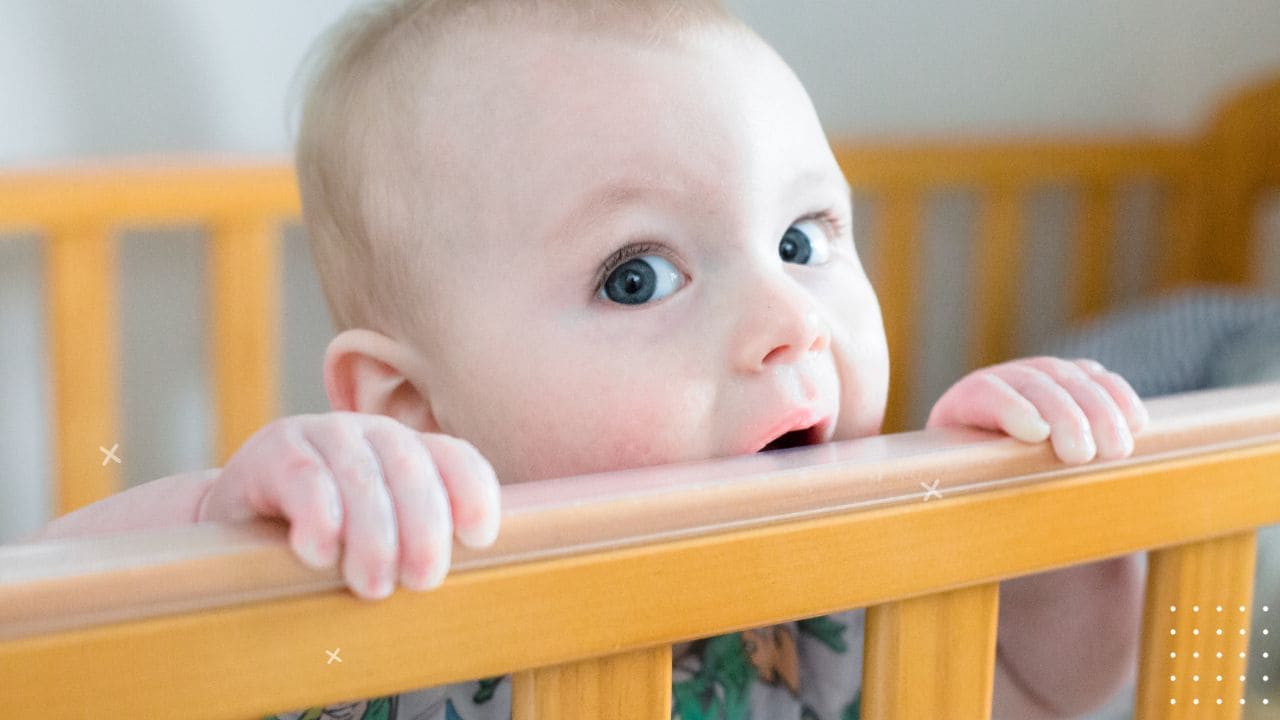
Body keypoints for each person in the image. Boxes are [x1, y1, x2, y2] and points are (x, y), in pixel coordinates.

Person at [26, 1, 1151, 717]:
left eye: (801, 242)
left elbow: (1040, 692)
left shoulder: (838, 598)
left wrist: (1039, 524)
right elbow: (33, 640)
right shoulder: (367, 588)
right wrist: (233, 520)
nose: (791, 319)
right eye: (635, 277)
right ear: (411, 406)